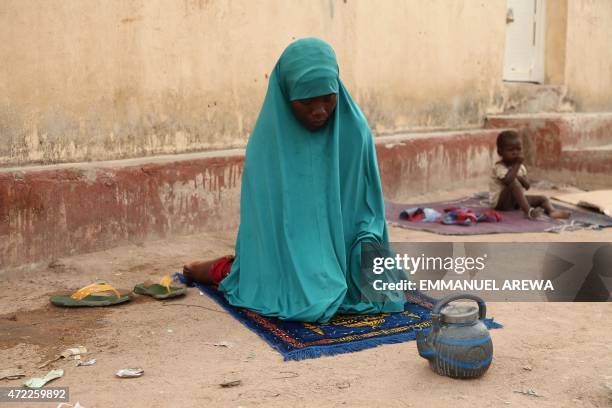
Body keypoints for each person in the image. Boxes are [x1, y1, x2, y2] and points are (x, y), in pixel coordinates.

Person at [183, 38, 405, 322]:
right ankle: (221, 269)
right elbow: (268, 229)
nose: (320, 110)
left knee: (380, 287)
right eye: (307, 101)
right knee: (309, 293)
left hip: (347, 240)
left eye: (328, 97)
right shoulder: (267, 146)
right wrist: (316, 256)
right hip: (290, 246)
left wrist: (360, 250)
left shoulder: (356, 131)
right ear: (286, 95)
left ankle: (229, 268)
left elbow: (366, 211)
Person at [489, 130, 571, 220]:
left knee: (542, 199)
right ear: (500, 152)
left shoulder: (520, 167)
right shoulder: (500, 167)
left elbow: (527, 186)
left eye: (518, 149)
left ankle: (552, 211)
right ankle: (529, 211)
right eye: (511, 150)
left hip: (516, 203)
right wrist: (516, 167)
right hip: (501, 203)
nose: (515, 152)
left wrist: (519, 176)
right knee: (513, 182)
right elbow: (508, 181)